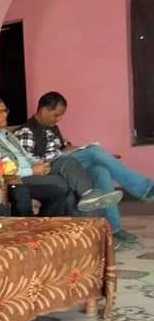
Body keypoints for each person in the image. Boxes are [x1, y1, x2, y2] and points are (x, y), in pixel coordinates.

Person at [15, 91, 154, 243]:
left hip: (67, 162)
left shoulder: (52, 127)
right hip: (52, 167)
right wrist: (89, 154)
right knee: (94, 151)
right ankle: (145, 188)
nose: (59, 119)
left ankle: (114, 229)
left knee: (101, 170)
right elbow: (29, 162)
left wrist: (93, 154)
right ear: (44, 110)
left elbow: (65, 147)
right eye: (56, 115)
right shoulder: (27, 131)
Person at [0, 93, 123, 221]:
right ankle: (73, 223)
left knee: (70, 162)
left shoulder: (7, 134)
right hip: (18, 177)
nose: (5, 114)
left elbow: (25, 155)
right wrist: (32, 170)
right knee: (63, 182)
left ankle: (88, 196)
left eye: (5, 110)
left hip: (33, 168)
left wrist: (39, 163)